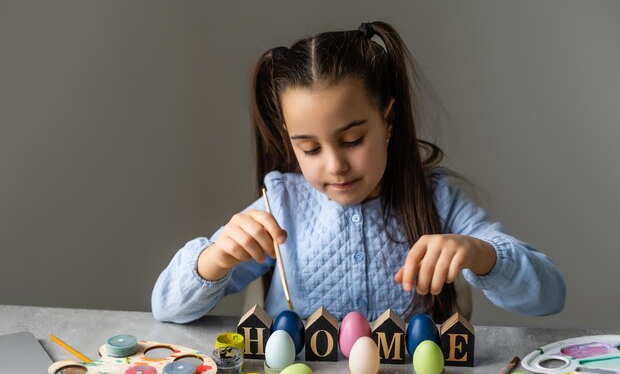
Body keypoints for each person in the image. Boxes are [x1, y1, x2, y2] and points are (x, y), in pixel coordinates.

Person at [151, 21, 566, 325]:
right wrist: (214, 259)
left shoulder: (438, 201)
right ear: (288, 139)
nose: (334, 165)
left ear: (387, 120)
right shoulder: (282, 204)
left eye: (351, 140)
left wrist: (481, 253)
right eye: (309, 148)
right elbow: (166, 309)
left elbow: (550, 295)